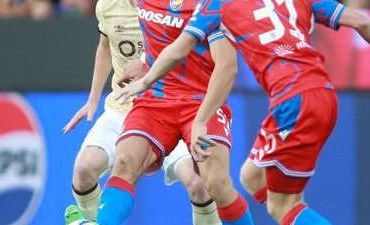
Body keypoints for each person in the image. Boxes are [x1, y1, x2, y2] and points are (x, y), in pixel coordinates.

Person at [121, 0, 370, 224]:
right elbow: (361, 20)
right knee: (251, 177)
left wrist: (146, 80)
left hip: (293, 101)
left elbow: (178, 50)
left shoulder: (219, 4)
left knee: (283, 205)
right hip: (323, 95)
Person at [76, 0, 256, 223]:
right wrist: (143, 62)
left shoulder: (210, 4)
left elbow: (227, 66)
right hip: (156, 98)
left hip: (200, 101)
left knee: (215, 183)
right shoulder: (137, 3)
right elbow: (153, 37)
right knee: (124, 164)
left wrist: (201, 119)